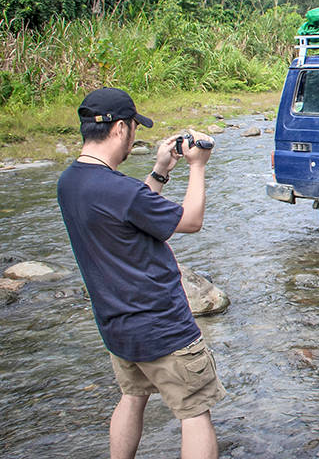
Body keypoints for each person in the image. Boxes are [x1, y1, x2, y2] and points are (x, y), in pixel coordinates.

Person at [57, 87, 225, 459]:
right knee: (195, 411)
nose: (134, 135)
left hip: (117, 325)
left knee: (132, 398)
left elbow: (131, 213)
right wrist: (197, 166)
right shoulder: (121, 190)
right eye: (134, 126)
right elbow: (191, 221)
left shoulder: (69, 183)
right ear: (120, 129)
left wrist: (161, 170)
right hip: (162, 326)